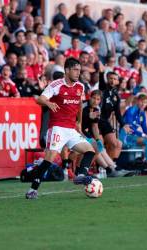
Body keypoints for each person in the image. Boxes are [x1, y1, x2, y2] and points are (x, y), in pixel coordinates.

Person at [25, 57, 96, 199]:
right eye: (75, 70)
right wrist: (48, 103)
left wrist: (79, 122)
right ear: (67, 70)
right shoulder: (56, 85)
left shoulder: (80, 87)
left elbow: (79, 105)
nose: (78, 73)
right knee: (50, 158)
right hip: (57, 127)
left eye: (79, 70)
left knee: (90, 150)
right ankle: (32, 189)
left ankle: (80, 175)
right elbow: (40, 99)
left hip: (71, 129)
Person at [82, 90, 130, 177]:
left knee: (100, 147)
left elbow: (94, 126)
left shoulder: (96, 109)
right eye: (93, 98)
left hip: (86, 134)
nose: (95, 101)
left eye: (98, 99)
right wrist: (88, 116)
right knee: (95, 147)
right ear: (90, 97)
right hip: (78, 133)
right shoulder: (83, 105)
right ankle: (110, 169)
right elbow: (76, 122)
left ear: (100, 101)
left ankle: (113, 168)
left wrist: (97, 140)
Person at [120, 94, 147, 173]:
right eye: (142, 102)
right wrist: (144, 135)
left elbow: (144, 127)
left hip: (135, 136)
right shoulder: (131, 110)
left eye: (145, 102)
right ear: (137, 101)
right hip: (127, 137)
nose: (143, 104)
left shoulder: (142, 112)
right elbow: (130, 128)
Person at [98, 68, 129, 161]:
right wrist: (101, 72)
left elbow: (118, 113)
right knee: (100, 145)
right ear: (107, 79)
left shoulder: (116, 96)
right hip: (96, 122)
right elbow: (101, 83)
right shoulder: (103, 89)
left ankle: (112, 166)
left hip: (105, 123)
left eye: (115, 79)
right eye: (110, 78)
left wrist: (124, 125)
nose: (112, 80)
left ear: (117, 82)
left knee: (117, 144)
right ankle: (101, 168)